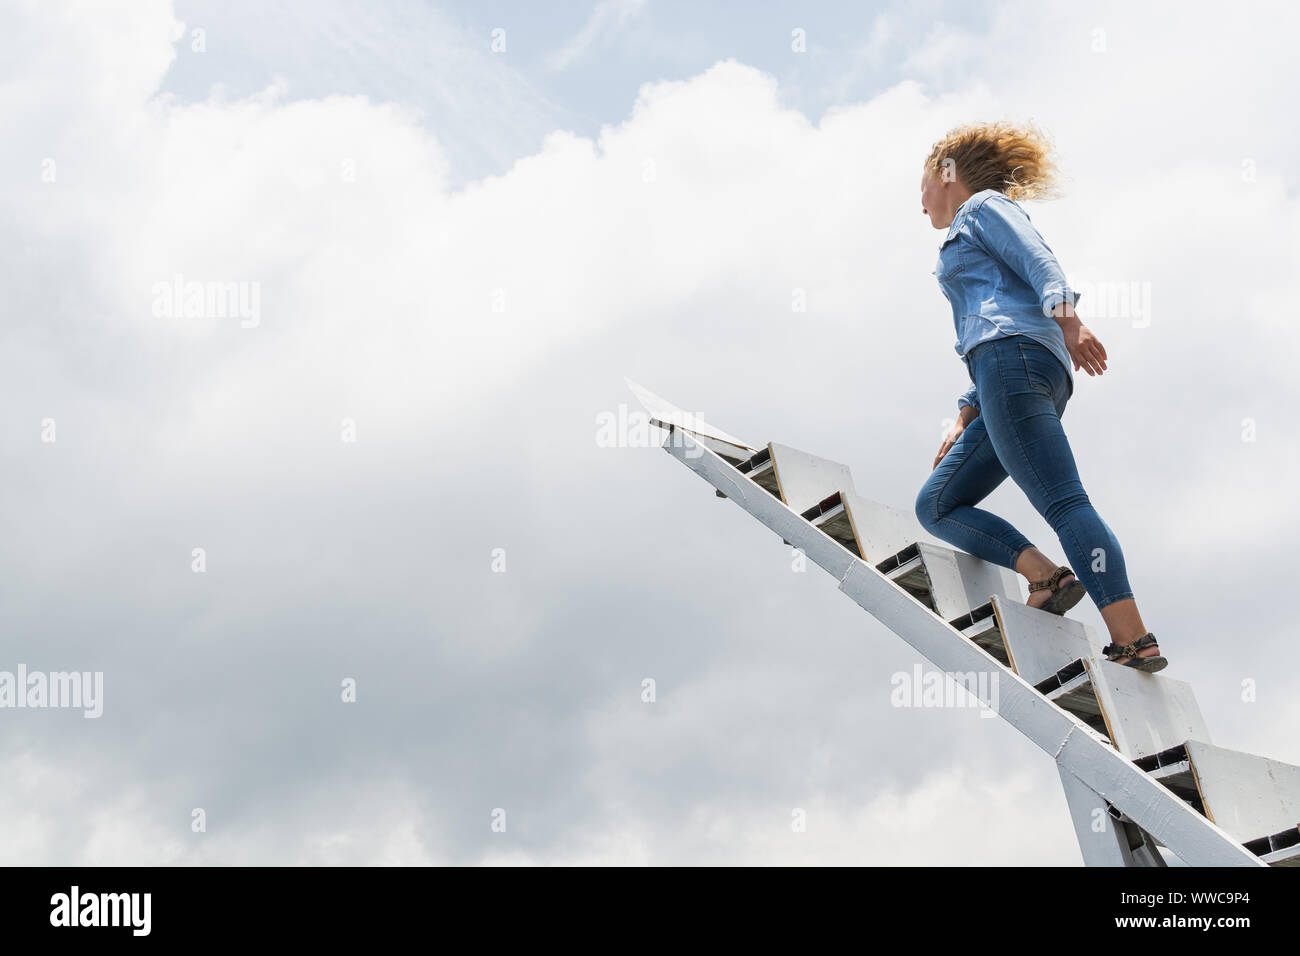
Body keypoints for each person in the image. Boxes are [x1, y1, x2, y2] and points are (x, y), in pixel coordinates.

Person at [913, 121, 1165, 672]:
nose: (920, 202)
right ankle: (1046, 577)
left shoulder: (981, 208)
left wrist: (1070, 319)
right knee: (936, 505)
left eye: (922, 185)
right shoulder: (968, 229)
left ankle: (1132, 640)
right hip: (1009, 371)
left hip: (1015, 363)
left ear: (945, 174)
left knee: (1065, 502)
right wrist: (966, 410)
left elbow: (1037, 259)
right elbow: (985, 320)